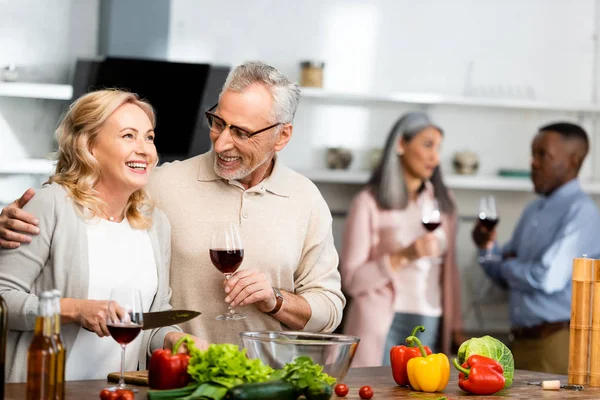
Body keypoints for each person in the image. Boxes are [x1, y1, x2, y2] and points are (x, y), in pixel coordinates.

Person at [0, 62, 345, 345]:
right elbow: (86, 192)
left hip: (270, 383)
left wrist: (276, 300)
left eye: (241, 132)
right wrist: (9, 221)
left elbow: (329, 311)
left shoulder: (306, 200)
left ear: (282, 135)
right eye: (218, 123)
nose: (223, 142)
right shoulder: (158, 185)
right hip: (170, 384)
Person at [0, 89, 207, 382]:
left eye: (149, 137)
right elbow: (3, 300)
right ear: (90, 146)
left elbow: (152, 319)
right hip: (46, 389)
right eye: (128, 136)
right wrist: (75, 310)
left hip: (117, 391)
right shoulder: (51, 205)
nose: (145, 149)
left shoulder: (154, 223)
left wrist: (177, 341)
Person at [472, 122, 600, 374]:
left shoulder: (582, 212)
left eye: (543, 154)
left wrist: (508, 264)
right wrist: (486, 248)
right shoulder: (533, 210)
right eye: (533, 153)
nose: (533, 162)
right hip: (517, 343)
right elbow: (500, 273)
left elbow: (547, 277)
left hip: (556, 344)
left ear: (573, 161)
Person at [340, 112, 463, 367]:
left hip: (429, 320)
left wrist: (457, 326)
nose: (435, 157)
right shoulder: (368, 203)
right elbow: (351, 281)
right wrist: (404, 255)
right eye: (427, 145)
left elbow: (450, 274)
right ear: (400, 144)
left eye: (438, 148)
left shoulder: (444, 202)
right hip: (379, 321)